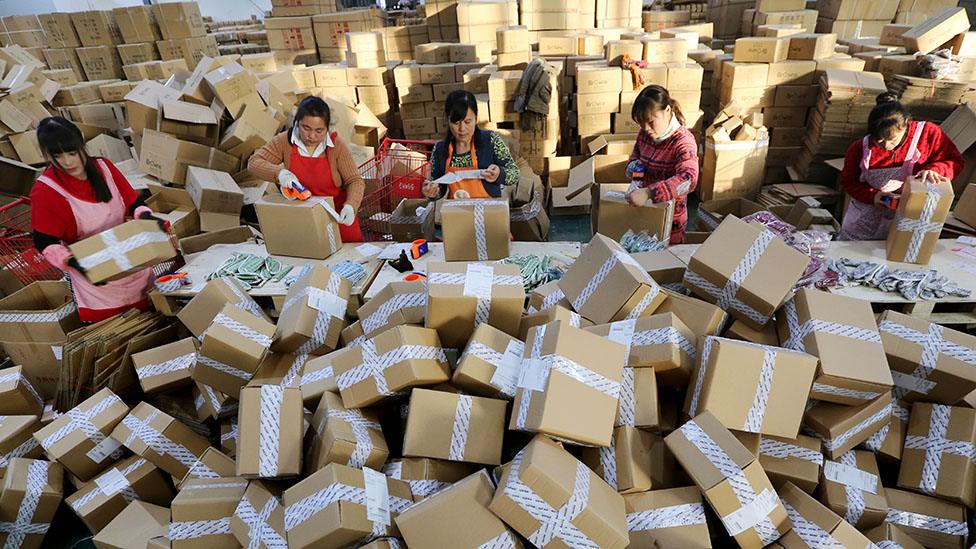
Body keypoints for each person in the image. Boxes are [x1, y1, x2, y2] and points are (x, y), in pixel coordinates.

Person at [30, 117, 165, 322]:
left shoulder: (105, 168)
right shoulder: (46, 191)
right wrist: (74, 262)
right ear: (48, 155)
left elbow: (134, 204)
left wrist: (146, 216)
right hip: (96, 278)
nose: (67, 162)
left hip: (133, 263)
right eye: (58, 156)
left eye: (72, 152)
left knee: (157, 320)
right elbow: (44, 241)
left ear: (82, 144)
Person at [838, 92, 964, 241]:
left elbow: (955, 161)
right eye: (879, 140)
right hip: (864, 221)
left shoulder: (928, 134)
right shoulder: (860, 148)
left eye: (891, 140)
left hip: (909, 220)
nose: (886, 146)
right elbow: (848, 181)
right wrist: (874, 195)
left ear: (905, 125)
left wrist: (935, 170)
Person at [249, 96, 366, 241]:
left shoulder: (336, 146)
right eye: (306, 128)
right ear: (297, 123)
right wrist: (280, 173)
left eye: (319, 131)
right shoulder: (285, 142)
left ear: (327, 128)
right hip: (305, 219)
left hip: (338, 218)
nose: (311, 136)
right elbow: (254, 163)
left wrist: (351, 206)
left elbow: (355, 180)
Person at [625, 85, 700, 245]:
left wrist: (649, 192)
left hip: (670, 219)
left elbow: (688, 179)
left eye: (651, 121)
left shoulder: (683, 142)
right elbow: (636, 160)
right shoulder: (645, 134)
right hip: (643, 211)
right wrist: (636, 179)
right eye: (641, 123)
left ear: (667, 111)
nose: (646, 128)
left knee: (662, 264)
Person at [422, 90, 519, 200]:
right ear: (448, 120)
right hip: (457, 213)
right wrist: (432, 192)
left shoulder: (491, 141)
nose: (462, 129)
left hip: (489, 211)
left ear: (476, 118)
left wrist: (499, 174)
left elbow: (514, 174)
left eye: (468, 122)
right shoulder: (440, 149)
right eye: (456, 123)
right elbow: (438, 189)